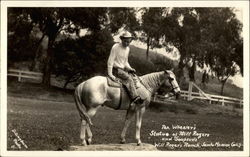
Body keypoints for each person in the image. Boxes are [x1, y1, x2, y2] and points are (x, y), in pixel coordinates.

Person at [107, 31, 143, 105]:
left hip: (122, 70)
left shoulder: (127, 49)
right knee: (128, 79)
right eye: (125, 41)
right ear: (122, 39)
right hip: (116, 70)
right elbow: (110, 61)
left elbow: (125, 62)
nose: (127, 43)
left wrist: (130, 68)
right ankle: (135, 98)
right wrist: (110, 74)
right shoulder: (115, 47)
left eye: (128, 42)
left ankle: (126, 99)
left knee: (135, 79)